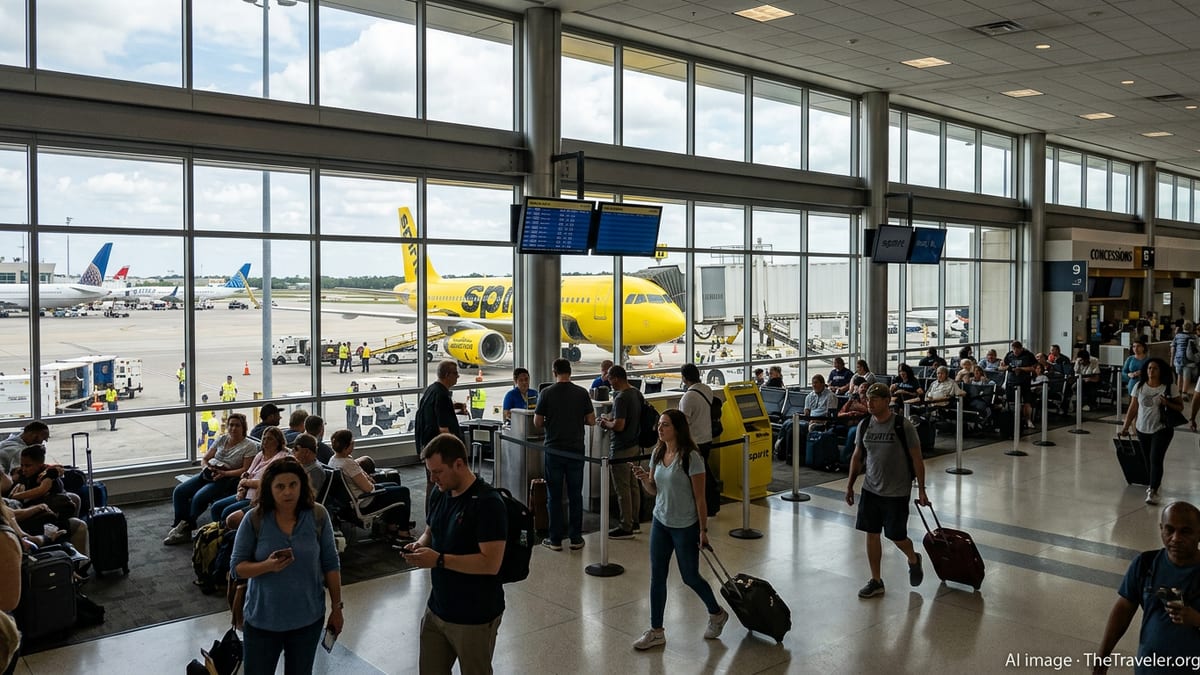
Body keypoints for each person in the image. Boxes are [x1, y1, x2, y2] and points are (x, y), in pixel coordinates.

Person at [401, 434, 506, 675]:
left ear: (459, 464)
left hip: (474, 616)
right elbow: (430, 531)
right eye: (429, 471)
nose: (432, 478)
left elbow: (491, 563)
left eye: (437, 471)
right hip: (438, 608)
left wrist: (438, 560)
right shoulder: (440, 492)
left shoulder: (488, 503)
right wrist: (419, 546)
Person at [231, 457, 342, 675]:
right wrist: (267, 566)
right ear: (269, 489)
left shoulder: (318, 515)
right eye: (280, 487)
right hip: (263, 620)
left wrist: (337, 608)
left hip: (307, 620)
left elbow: (331, 563)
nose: (288, 492)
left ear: (302, 485)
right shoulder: (255, 519)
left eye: (293, 485)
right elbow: (237, 567)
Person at [629, 409, 728, 650]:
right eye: (659, 425)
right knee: (657, 577)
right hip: (661, 522)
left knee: (690, 576)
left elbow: (700, 498)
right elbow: (654, 490)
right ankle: (656, 630)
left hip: (685, 526)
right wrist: (644, 479)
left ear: (677, 428)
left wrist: (703, 529)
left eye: (665, 425)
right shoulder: (658, 452)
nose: (660, 429)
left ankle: (716, 613)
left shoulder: (691, 457)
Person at [1093, 502, 1200, 675]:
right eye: (1169, 530)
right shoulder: (1146, 564)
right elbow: (1124, 608)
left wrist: (1196, 619)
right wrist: (1103, 655)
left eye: (1185, 531)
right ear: (1161, 529)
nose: (1175, 538)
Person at [844, 383, 928, 599]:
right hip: (871, 489)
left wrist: (921, 490)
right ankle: (876, 580)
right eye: (868, 400)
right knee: (872, 533)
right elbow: (857, 456)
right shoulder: (864, 425)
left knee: (896, 536)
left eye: (874, 400)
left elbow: (917, 459)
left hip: (897, 491)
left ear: (886, 400)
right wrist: (850, 484)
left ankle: (913, 558)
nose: (869, 403)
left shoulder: (902, 425)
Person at [165, 413, 258, 545]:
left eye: (237, 425)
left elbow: (245, 470)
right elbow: (205, 458)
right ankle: (183, 524)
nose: (233, 428)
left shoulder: (249, 446)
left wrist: (224, 473)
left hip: (227, 478)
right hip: (210, 472)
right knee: (179, 491)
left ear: (244, 427)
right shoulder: (222, 439)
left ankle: (184, 528)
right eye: (231, 425)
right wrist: (206, 468)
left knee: (199, 497)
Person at [533, 358, 595, 551]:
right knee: (576, 494)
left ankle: (555, 539)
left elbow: (537, 422)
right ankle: (576, 538)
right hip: (576, 450)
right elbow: (591, 420)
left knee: (554, 496)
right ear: (570, 372)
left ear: (554, 372)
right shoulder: (581, 393)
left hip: (554, 450)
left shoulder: (546, 393)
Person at [328, 430, 412, 542]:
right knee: (403, 492)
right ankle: (403, 532)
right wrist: (372, 483)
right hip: (365, 501)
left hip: (351, 501)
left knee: (394, 485)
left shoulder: (333, 460)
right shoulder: (348, 464)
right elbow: (368, 488)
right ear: (347, 446)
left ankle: (392, 525)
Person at [1121, 357, 1184, 506]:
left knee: (1156, 458)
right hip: (1142, 428)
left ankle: (1152, 489)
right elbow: (1133, 407)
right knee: (1147, 459)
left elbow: (1180, 407)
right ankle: (1153, 481)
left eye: (1155, 368)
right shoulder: (1139, 386)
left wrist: (1167, 402)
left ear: (1160, 371)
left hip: (1162, 429)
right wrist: (1126, 426)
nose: (1151, 371)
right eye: (1149, 368)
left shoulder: (1169, 387)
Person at [210, 426, 289, 527]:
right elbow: (247, 474)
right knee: (216, 507)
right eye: (264, 438)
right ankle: (217, 532)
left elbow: (267, 483)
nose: (265, 441)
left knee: (227, 512)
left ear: (278, 442)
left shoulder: (281, 458)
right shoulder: (260, 455)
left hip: (258, 498)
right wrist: (241, 488)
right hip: (245, 493)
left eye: (269, 439)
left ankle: (226, 535)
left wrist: (245, 482)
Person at [598, 365, 643, 540]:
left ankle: (626, 526)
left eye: (609, 379)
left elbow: (619, 425)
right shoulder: (636, 393)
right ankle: (635, 521)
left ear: (616, 378)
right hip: (635, 445)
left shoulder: (621, 398)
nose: (608, 382)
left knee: (622, 487)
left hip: (621, 448)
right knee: (633, 485)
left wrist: (605, 424)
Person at [416, 361, 464, 507]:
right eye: (456, 373)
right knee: (440, 484)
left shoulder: (432, 390)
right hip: (439, 449)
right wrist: (455, 451)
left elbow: (431, 412)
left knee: (432, 482)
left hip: (427, 444)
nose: (458, 376)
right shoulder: (442, 395)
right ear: (447, 375)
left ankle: (431, 516)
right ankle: (438, 517)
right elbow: (444, 429)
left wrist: (453, 406)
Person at [678, 363, 719, 517]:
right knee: (703, 474)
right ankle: (709, 505)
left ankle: (699, 506)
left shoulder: (688, 397)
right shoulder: (706, 390)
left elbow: (683, 423)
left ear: (684, 378)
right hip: (707, 438)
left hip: (694, 442)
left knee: (693, 478)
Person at [291, 434, 327, 499]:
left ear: (306, 452)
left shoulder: (315, 471)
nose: (292, 451)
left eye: (296, 449)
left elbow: (311, 497)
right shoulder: (302, 465)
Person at [1171, 321, 1196, 396]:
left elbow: (1173, 347)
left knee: (1179, 375)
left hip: (1178, 359)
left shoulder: (1177, 336)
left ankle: (1179, 390)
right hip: (1188, 359)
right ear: (1191, 327)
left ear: (1183, 327)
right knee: (1186, 376)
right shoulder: (1193, 336)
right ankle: (1184, 392)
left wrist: (1172, 359)